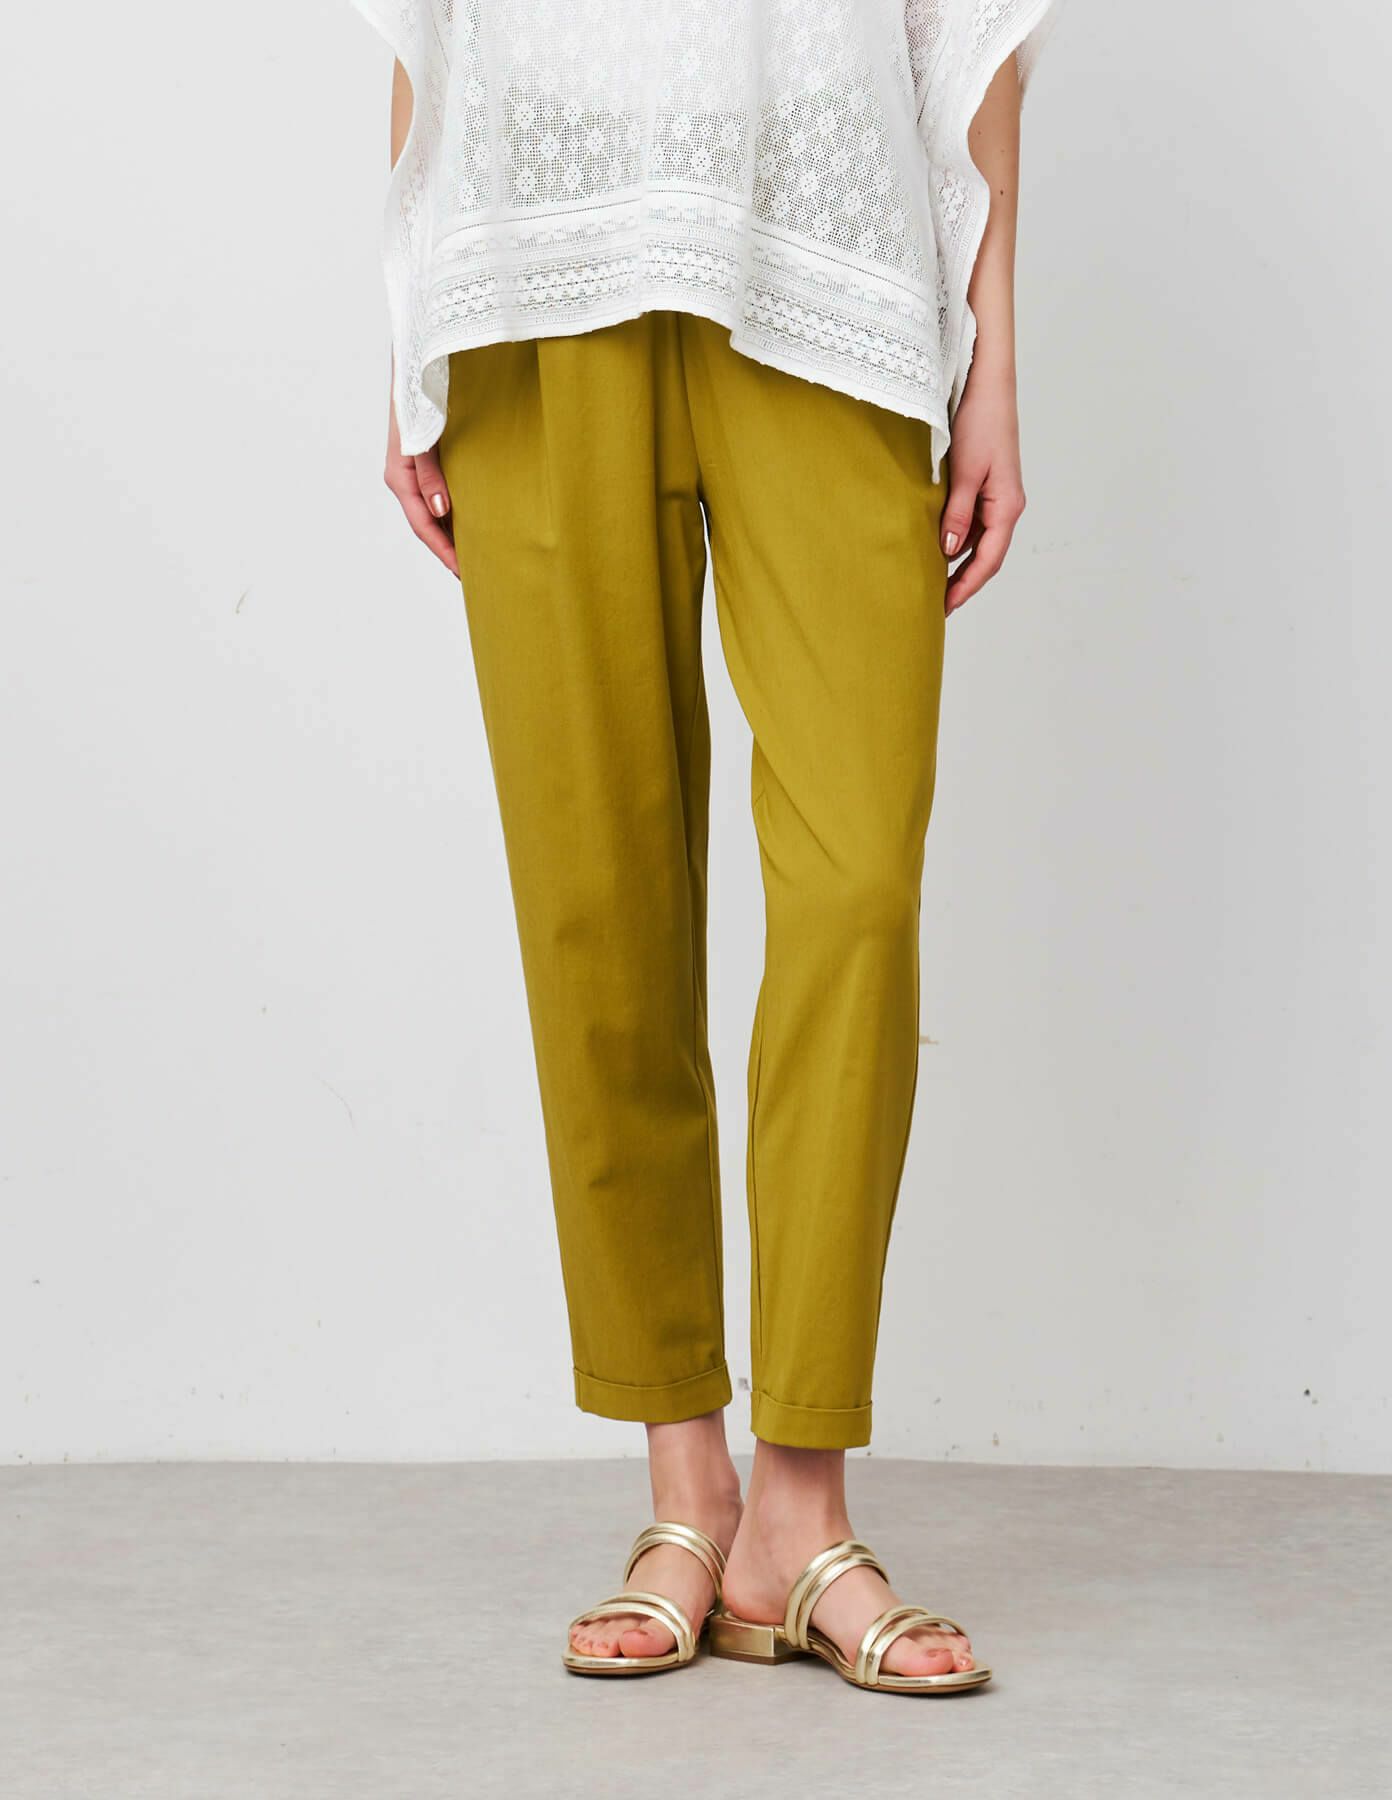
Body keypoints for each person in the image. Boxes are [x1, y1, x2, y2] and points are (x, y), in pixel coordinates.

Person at [350, 0, 1059, 1694]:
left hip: (829, 251)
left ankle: (797, 1512)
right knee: (596, 893)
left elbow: (975, 26)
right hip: (532, 267)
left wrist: (995, 357)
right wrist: (407, 324)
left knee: (857, 879)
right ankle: (687, 1483)